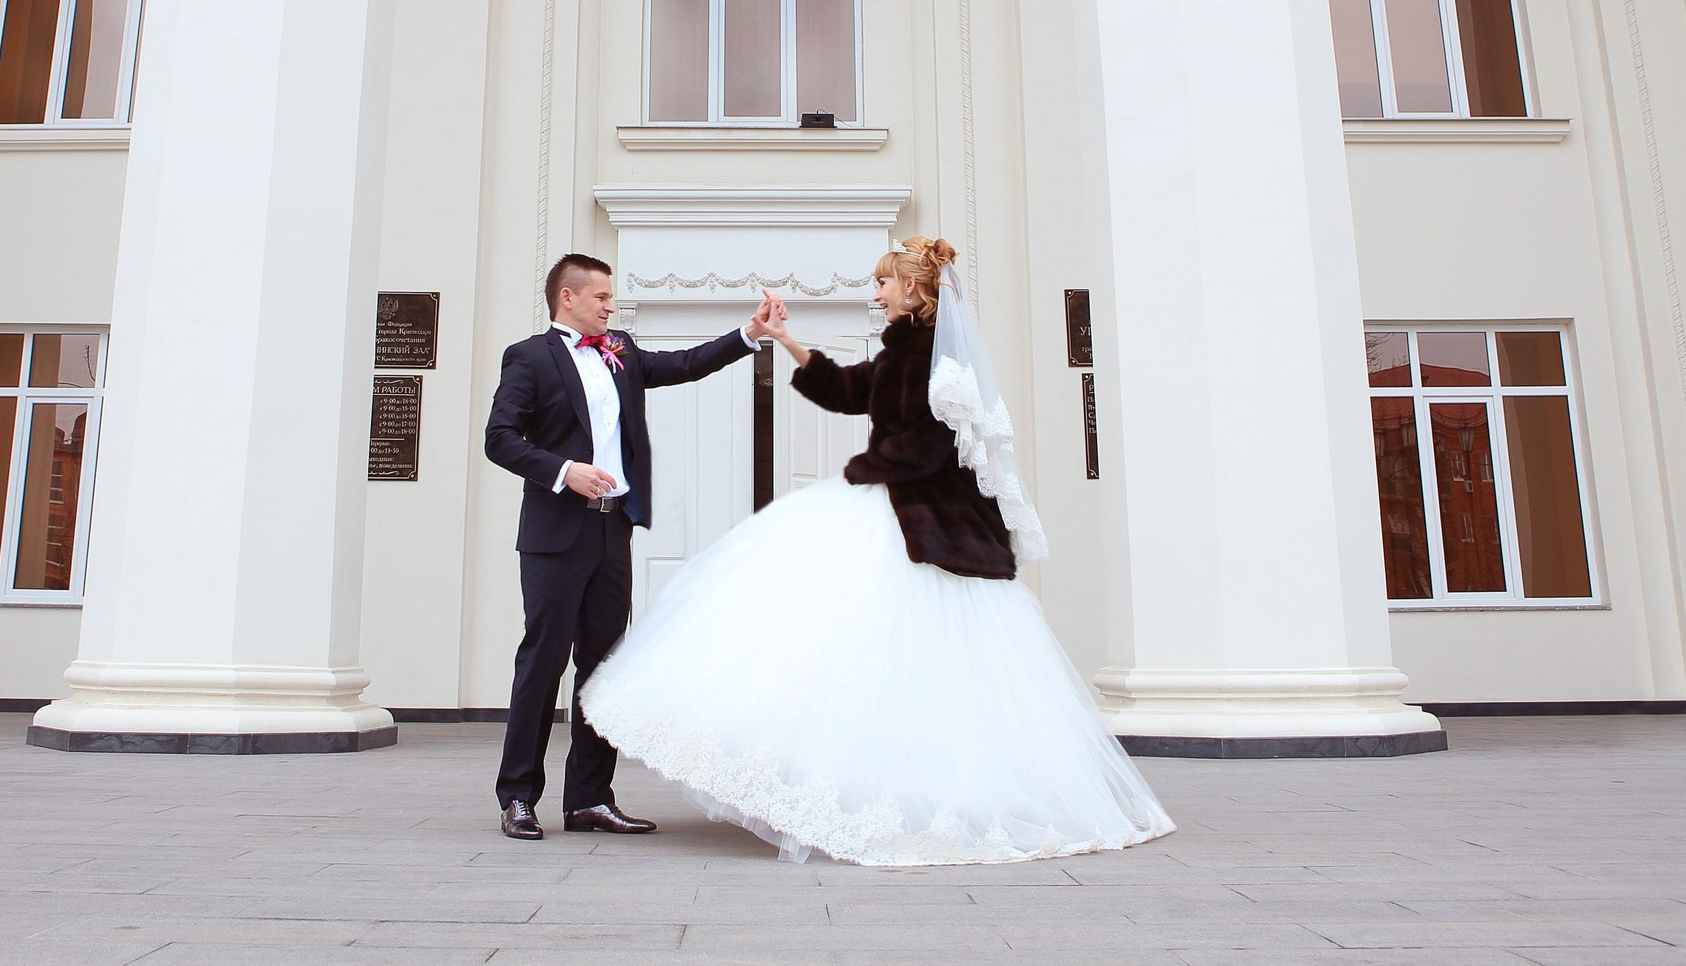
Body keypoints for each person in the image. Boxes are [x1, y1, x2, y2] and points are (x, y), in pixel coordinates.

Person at [580, 236, 1175, 865]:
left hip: (923, 523)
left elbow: (929, 447)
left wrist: (868, 468)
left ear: (914, 291)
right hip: (894, 507)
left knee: (906, 656)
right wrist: (785, 340)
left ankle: (930, 793)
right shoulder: (903, 352)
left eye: (884, 282)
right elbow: (845, 389)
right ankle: (887, 785)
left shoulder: (937, 364)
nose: (876, 291)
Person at [481, 253, 780, 841]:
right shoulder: (530, 358)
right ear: (568, 298)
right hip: (554, 535)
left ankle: (589, 799)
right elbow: (500, 438)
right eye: (601, 299)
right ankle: (517, 796)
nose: (610, 307)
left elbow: (685, 364)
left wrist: (749, 334)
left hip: (611, 529)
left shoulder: (619, 350)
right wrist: (564, 469)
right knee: (542, 663)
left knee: (604, 666)